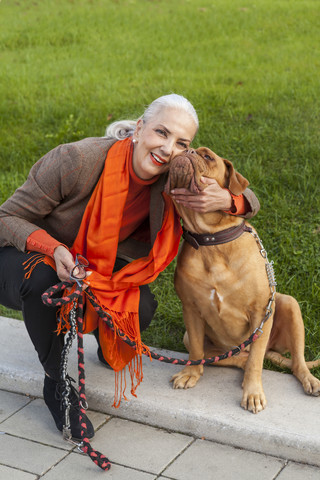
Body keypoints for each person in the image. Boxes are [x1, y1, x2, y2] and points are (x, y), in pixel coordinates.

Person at [0, 94, 260, 439]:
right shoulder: (76, 160)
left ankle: (102, 336)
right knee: (46, 279)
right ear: (139, 128)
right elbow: (6, 217)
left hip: (93, 269)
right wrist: (55, 248)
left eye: (182, 143)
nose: (168, 149)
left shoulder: (173, 180)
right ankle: (57, 384)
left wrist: (230, 200)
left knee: (143, 307)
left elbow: (250, 200)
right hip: (27, 257)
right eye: (161, 133)